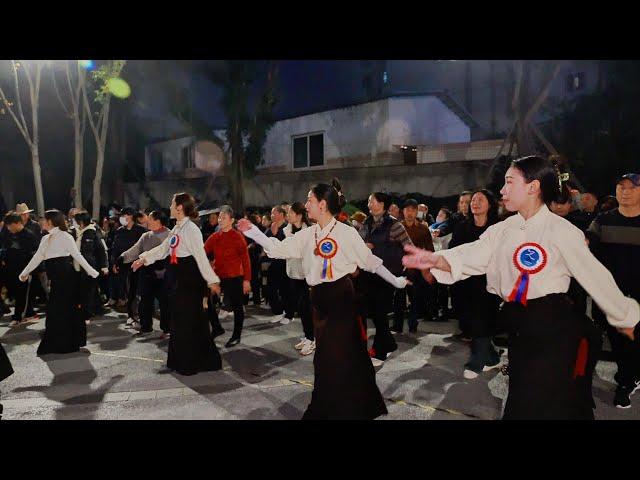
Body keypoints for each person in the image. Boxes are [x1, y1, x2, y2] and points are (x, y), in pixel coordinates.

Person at [403, 156, 639, 420]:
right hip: (520, 327)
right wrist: (439, 260)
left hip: (554, 328)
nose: (502, 190)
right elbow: (474, 254)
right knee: (525, 398)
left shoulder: (561, 230)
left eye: (509, 182)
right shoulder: (503, 229)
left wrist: (625, 316)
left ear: (532, 187)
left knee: (543, 404)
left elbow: (594, 275)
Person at [237, 179, 408, 419]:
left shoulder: (346, 233)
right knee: (329, 356)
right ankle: (338, 404)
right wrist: (253, 232)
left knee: (336, 355)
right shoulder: (308, 235)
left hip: (341, 299)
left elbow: (370, 262)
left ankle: (340, 407)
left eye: (310, 200)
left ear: (323, 204)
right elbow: (278, 249)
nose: (306, 204)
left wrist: (397, 281)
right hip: (319, 301)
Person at [132, 193, 222, 376]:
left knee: (188, 322)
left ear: (180, 207)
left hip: (190, 280)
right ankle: (181, 361)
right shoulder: (177, 228)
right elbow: (164, 249)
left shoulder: (191, 230)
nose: (170, 206)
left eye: (172, 203)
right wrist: (143, 258)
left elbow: (200, 257)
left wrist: (212, 280)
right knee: (180, 321)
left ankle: (192, 363)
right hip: (178, 278)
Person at [586, 173, 640, 408]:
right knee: (620, 342)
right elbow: (585, 247)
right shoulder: (603, 221)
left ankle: (629, 377)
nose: (625, 192)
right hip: (612, 296)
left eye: (631, 188)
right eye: (620, 187)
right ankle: (627, 381)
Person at [20, 210, 99, 355]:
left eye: (44, 219)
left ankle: (69, 344)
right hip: (56, 280)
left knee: (65, 311)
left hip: (68, 279)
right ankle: (60, 344)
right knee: (56, 312)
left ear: (50, 221)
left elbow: (77, 255)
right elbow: (37, 258)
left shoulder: (66, 236)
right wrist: (24, 273)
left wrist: (91, 271)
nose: (41, 222)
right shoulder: (46, 238)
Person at [448, 189, 503, 378]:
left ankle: (476, 362)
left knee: (483, 319)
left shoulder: (498, 228)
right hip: (465, 282)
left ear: (490, 204)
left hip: (489, 282)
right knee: (469, 321)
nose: (475, 203)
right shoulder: (463, 227)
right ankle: (493, 358)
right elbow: (454, 251)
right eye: (473, 200)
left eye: (480, 200)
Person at [360, 192, 414, 365]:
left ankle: (381, 350)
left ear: (382, 204)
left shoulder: (394, 225)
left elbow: (409, 247)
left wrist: (408, 269)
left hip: (388, 274)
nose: (369, 204)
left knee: (380, 312)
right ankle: (389, 344)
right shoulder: (366, 224)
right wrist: (364, 246)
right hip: (369, 274)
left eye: (372, 200)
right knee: (374, 313)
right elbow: (358, 245)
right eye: (368, 200)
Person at [203, 205, 251, 348]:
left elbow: (246, 260)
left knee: (237, 307)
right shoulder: (215, 236)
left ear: (231, 220)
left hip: (235, 276)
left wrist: (247, 280)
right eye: (219, 217)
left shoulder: (238, 237)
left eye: (224, 217)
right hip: (218, 277)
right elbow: (203, 252)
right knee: (208, 302)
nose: (220, 220)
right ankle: (217, 328)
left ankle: (236, 336)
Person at [121, 210, 171, 337]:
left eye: (150, 218)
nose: (147, 221)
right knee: (145, 302)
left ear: (158, 220)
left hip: (163, 274)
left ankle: (168, 329)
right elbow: (136, 249)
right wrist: (122, 257)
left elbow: (166, 253)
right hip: (146, 273)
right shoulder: (146, 235)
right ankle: (146, 327)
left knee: (165, 303)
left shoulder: (170, 235)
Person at [397, 199, 435, 333]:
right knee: (399, 297)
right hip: (400, 267)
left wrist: (428, 268)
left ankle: (413, 323)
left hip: (417, 268)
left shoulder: (423, 229)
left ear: (416, 212)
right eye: (407, 210)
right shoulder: (397, 227)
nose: (410, 213)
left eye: (413, 210)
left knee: (415, 297)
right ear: (403, 211)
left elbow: (429, 249)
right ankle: (398, 325)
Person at [282, 202, 314, 355]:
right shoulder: (287, 230)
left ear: (299, 215)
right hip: (293, 274)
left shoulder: (308, 232)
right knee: (301, 308)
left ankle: (312, 339)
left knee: (307, 308)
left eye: (290, 213)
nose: (288, 215)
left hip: (305, 276)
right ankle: (308, 336)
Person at [111, 207, 147, 327]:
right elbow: (115, 248)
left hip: (137, 265)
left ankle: (137, 315)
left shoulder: (141, 231)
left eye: (124, 215)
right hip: (123, 264)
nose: (122, 218)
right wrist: (115, 263)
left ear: (131, 216)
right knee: (128, 291)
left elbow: (143, 248)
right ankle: (131, 315)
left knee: (136, 291)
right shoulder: (120, 231)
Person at [2, 212, 40, 325]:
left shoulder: (29, 235)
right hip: (10, 269)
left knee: (22, 294)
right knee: (15, 293)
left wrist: (29, 271)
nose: (8, 228)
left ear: (18, 223)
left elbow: (35, 254)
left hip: (24, 271)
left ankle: (17, 317)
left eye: (10, 225)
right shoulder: (7, 234)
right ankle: (29, 313)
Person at [73, 211, 109, 325]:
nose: (74, 223)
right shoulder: (79, 233)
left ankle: (86, 315)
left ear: (81, 222)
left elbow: (101, 250)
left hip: (89, 268)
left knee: (87, 292)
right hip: (79, 268)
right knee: (88, 292)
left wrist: (104, 266)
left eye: (76, 221)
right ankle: (96, 309)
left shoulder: (92, 233)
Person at [264, 205, 288, 322]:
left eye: (274, 213)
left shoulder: (287, 227)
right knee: (270, 288)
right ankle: (278, 311)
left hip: (285, 262)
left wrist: (275, 235)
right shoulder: (270, 227)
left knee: (285, 289)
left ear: (281, 215)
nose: (272, 215)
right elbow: (265, 242)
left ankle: (287, 313)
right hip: (274, 262)